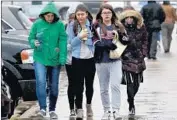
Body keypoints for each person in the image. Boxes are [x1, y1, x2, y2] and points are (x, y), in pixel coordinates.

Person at [28, 2, 67, 119]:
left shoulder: (59, 25)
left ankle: (52, 109)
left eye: (52, 16)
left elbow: (63, 40)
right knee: (41, 82)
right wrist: (33, 43)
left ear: (55, 15)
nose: (50, 18)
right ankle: (42, 108)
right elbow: (31, 37)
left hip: (55, 59)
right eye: (47, 16)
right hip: (40, 57)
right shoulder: (37, 24)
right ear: (43, 15)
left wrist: (62, 57)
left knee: (54, 86)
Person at [92, 3, 129, 119]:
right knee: (103, 88)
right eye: (104, 12)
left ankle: (116, 110)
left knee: (115, 85)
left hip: (115, 59)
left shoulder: (118, 25)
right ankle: (107, 110)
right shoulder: (96, 26)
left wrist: (122, 38)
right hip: (101, 60)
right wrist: (106, 45)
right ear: (101, 14)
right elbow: (94, 41)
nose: (107, 14)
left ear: (112, 13)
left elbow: (126, 41)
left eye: (109, 12)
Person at [66, 4, 96, 118]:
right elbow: (69, 45)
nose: (80, 17)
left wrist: (88, 38)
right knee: (79, 85)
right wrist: (79, 37)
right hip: (77, 59)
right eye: (78, 14)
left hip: (90, 59)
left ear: (87, 14)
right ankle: (79, 108)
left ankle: (88, 105)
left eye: (82, 14)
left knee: (90, 85)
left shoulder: (92, 25)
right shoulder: (71, 26)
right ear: (75, 15)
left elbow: (95, 42)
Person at [119, 7, 148, 115]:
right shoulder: (121, 29)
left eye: (131, 17)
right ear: (124, 18)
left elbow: (145, 40)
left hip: (139, 58)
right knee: (129, 83)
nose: (129, 19)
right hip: (126, 58)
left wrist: (144, 53)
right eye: (127, 17)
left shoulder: (141, 27)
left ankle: (130, 99)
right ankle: (131, 103)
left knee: (137, 83)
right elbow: (118, 42)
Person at [65, 10, 76, 117]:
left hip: (81, 60)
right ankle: (71, 108)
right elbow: (64, 46)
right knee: (71, 84)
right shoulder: (66, 29)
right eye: (71, 19)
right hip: (69, 61)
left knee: (80, 84)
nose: (72, 22)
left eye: (74, 19)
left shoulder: (81, 28)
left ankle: (78, 105)